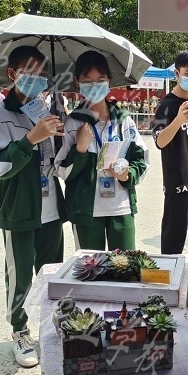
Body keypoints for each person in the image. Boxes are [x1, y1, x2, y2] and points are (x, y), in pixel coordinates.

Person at [0, 45, 65, 368]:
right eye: (29, 73)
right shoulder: (1, 114)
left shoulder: (44, 108)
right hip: (19, 208)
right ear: (13, 74)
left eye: (42, 74)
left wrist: (59, 133)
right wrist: (31, 138)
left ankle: (50, 327)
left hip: (51, 207)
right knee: (19, 276)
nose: (37, 79)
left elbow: (56, 159)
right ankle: (19, 331)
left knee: (51, 271)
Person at [55, 50, 149, 250]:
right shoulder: (72, 123)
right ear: (77, 82)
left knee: (125, 265)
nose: (94, 85)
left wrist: (127, 174)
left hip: (120, 209)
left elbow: (142, 160)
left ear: (109, 81)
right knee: (89, 265)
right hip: (85, 212)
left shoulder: (124, 121)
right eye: (87, 81)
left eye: (100, 80)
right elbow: (62, 171)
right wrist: (80, 148)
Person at [152, 48, 188, 254]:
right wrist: (178, 120)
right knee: (173, 238)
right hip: (177, 182)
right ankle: (170, 272)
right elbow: (160, 141)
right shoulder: (165, 106)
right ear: (177, 73)